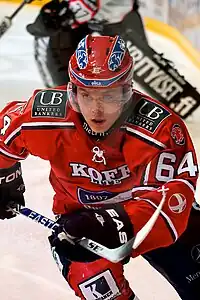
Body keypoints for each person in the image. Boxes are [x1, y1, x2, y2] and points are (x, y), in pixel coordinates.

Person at [0, 34, 199, 300]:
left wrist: (115, 223)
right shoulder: (46, 116)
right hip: (80, 224)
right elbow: (4, 134)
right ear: (73, 91)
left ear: (127, 90)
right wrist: (4, 176)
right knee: (97, 284)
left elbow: (173, 203)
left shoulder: (160, 129)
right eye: (87, 94)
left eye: (109, 95)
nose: (97, 109)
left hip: (145, 216)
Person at [27, 0, 148, 87]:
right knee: (60, 81)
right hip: (82, 19)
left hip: (117, 17)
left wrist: (61, 16)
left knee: (145, 70)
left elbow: (85, 6)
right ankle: (64, 104)